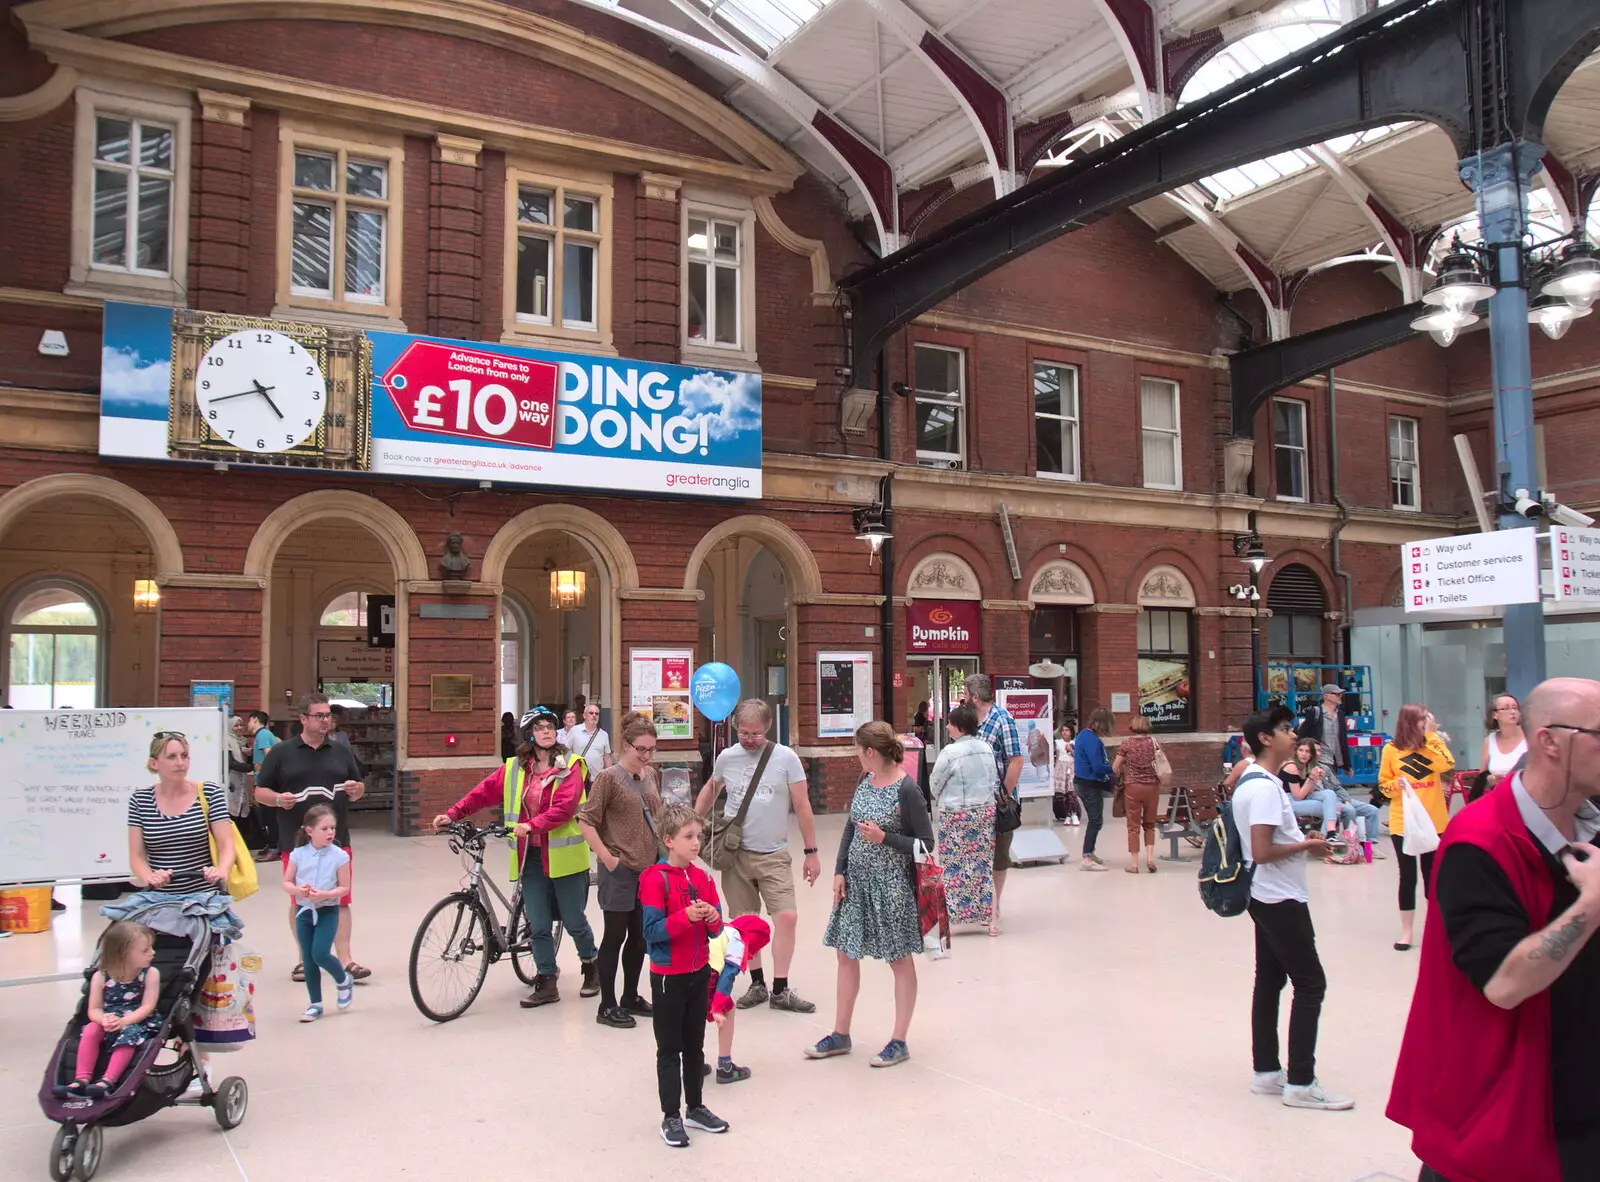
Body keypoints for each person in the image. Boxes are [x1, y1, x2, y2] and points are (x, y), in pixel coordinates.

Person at [1389, 677, 1600, 1180]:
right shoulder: (1479, 843)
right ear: (1550, 741)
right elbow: (1503, 985)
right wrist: (1590, 904)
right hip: (1514, 1111)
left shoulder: (1590, 821)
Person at [433, 706, 601, 1008]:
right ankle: (547, 980)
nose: (546, 731)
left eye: (550, 726)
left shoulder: (572, 765)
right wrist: (452, 814)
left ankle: (591, 965)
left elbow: (563, 808)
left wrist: (531, 825)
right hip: (530, 858)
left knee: (574, 920)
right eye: (539, 727)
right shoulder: (514, 768)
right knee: (537, 923)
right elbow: (483, 793)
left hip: (565, 859)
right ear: (530, 734)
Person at [1233, 706, 1352, 1111]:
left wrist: (1299, 837)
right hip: (1280, 896)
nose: (1293, 735)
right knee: (1310, 983)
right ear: (1266, 739)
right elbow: (1263, 850)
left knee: (1269, 980)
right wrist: (1308, 844)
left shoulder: (1250, 780)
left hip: (1261, 894)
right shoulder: (1266, 787)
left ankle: (1266, 1072)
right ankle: (1300, 1081)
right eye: (1285, 729)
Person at [806, 721, 934, 1069]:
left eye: (857, 751)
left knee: (899, 960)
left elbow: (927, 846)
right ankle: (840, 1033)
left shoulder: (908, 790)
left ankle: (899, 1040)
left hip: (891, 887)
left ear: (871, 752)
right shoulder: (865, 782)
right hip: (856, 884)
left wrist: (886, 838)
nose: (855, 758)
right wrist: (839, 870)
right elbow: (850, 827)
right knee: (846, 955)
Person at [695, 698, 821, 1013]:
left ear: (767, 728)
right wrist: (694, 823)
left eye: (756, 733)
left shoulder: (786, 758)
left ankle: (781, 988)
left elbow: (803, 805)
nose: (750, 739)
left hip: (774, 853)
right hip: (735, 854)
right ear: (736, 729)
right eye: (745, 733)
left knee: (787, 917)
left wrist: (811, 851)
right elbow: (712, 788)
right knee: (744, 923)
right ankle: (758, 983)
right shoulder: (727, 757)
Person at [255, 694, 370, 983]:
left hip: (337, 840)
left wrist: (358, 790)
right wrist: (279, 799)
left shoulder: (341, 751)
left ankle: (346, 959)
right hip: (297, 843)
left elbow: (359, 787)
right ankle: (305, 960)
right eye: (318, 715)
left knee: (341, 899)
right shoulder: (282, 752)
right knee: (302, 900)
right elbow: (260, 792)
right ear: (303, 718)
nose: (325, 720)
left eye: (327, 715)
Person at [640, 801, 728, 1148]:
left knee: (696, 1046)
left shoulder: (703, 877)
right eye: (688, 836)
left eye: (698, 836)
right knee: (669, 1048)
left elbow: (718, 928)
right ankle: (670, 1115)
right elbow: (651, 931)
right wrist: (686, 917)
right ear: (668, 840)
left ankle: (695, 1107)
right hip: (668, 977)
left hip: (698, 972)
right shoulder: (654, 879)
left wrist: (709, 918)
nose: (696, 843)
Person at [577, 712, 662, 1029]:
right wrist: (607, 858)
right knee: (615, 935)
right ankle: (607, 1004)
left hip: (648, 870)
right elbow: (586, 821)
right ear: (626, 745)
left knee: (640, 937)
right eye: (641, 749)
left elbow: (659, 815)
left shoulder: (650, 776)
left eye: (651, 749)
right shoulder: (609, 778)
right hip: (620, 870)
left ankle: (630, 996)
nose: (646, 755)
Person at [52, 922, 161, 1098]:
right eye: (145, 950)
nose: (152, 953)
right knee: (90, 1029)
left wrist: (125, 1021)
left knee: (129, 1033)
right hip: (108, 1018)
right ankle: (81, 1079)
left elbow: (148, 1006)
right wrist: (103, 1020)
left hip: (137, 1020)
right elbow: (94, 1008)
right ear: (123, 954)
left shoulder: (150, 974)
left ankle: (108, 1080)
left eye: (151, 948)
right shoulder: (101, 975)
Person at [1379, 703, 1455, 951]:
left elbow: (1446, 765)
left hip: (1434, 820)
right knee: (1408, 876)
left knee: (1433, 876)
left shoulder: (1434, 744)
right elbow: (1383, 785)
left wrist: (1432, 736)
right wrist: (1395, 785)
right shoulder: (1391, 750)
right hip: (1404, 821)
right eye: (1423, 719)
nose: (1426, 723)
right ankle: (1407, 932)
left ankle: (1436, 929)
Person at [129, 733, 237, 898]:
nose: (180, 763)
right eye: (171, 757)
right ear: (154, 763)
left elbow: (226, 844)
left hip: (205, 896)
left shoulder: (210, 793)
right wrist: (150, 878)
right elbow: (136, 856)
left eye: (184, 756)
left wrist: (221, 871)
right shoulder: (140, 800)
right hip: (159, 898)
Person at [929, 703, 998, 932]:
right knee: (982, 866)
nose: (947, 726)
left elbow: (934, 784)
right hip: (985, 812)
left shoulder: (949, 752)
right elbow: (994, 779)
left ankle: (952, 916)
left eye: (949, 723)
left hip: (955, 815)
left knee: (953, 866)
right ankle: (989, 918)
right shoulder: (987, 748)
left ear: (958, 726)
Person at [282, 804, 354, 1022]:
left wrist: (325, 894)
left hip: (327, 910)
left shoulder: (340, 856)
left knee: (320, 952)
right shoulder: (298, 855)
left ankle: (343, 979)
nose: (330, 832)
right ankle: (315, 1004)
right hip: (304, 910)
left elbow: (345, 888)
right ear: (309, 830)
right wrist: (298, 891)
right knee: (308, 957)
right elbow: (287, 882)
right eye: (324, 828)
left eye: (332, 828)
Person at [962, 675, 1022, 924]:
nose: (963, 698)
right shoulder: (969, 720)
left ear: (975, 697)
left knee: (998, 856)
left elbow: (1016, 760)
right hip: (974, 800)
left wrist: (1004, 795)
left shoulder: (1002, 720)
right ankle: (977, 903)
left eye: (965, 693)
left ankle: (993, 905)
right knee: (976, 854)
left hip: (997, 802)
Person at [1283, 739, 1384, 863]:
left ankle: (1332, 837)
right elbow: (1298, 795)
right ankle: (1329, 843)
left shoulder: (1315, 767)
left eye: (1308, 751)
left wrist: (1315, 779)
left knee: (1331, 796)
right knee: (1334, 808)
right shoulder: (1293, 766)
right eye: (1301, 750)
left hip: (1325, 797)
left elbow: (1335, 787)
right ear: (1296, 751)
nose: (1304, 754)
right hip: (1293, 800)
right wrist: (1313, 778)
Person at [707, 914, 771, 1084]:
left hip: (690, 970)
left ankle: (693, 1062)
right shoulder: (738, 941)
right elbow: (727, 977)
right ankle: (725, 1066)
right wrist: (718, 1007)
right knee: (728, 1011)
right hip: (708, 978)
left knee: (692, 1015)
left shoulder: (723, 929)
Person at [1112, 714, 1163, 874]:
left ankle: (1134, 864)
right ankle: (1150, 859)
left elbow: (1115, 766)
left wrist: (1126, 770)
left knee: (1133, 826)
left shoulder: (1127, 744)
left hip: (1133, 786)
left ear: (1132, 726)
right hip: (1152, 787)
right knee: (1149, 824)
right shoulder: (1153, 743)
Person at [1073, 707, 1115, 870]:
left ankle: (1089, 852)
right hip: (1089, 784)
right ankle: (1087, 857)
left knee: (1096, 820)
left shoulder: (1083, 734)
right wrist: (1114, 767)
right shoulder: (1092, 740)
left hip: (1083, 782)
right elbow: (1097, 767)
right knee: (1095, 821)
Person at [1295, 683, 1352, 777]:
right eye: (1337, 694)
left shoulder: (1340, 714)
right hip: (1319, 759)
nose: (1340, 696)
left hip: (1334, 760)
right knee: (1330, 788)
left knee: (1332, 788)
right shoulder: (1315, 712)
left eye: (1341, 694)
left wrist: (1347, 765)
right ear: (1326, 696)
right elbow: (1302, 736)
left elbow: (1343, 740)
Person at [1480, 692, 1527, 784]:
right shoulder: (1490, 740)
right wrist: (1491, 779)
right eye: (1506, 708)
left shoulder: (1530, 736)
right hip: (1499, 793)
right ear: (1495, 715)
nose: (1513, 712)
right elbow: (1481, 778)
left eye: (1515, 707)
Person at [568, 702, 614, 771]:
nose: (594, 715)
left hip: (597, 778)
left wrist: (609, 775)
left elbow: (607, 757)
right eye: (591, 713)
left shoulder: (604, 735)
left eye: (597, 713)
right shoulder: (574, 731)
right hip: (579, 778)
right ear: (584, 715)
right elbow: (566, 752)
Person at [1053, 721, 1079, 826]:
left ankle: (1074, 814)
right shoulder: (1058, 743)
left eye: (1067, 730)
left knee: (1072, 792)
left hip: (1071, 767)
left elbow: (1079, 757)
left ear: (1071, 732)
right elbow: (1057, 755)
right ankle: (1067, 815)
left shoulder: (1075, 743)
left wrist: (1071, 750)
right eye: (1063, 730)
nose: (1064, 732)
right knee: (1063, 794)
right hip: (1061, 768)